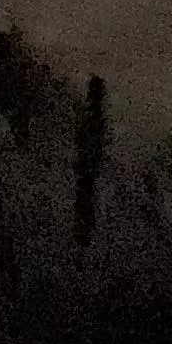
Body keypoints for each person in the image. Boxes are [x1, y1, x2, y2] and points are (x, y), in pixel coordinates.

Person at [71, 73, 108, 251]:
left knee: (84, 199)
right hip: (89, 167)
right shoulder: (97, 118)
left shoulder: (90, 117)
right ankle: (84, 238)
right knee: (86, 199)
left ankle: (83, 239)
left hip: (86, 167)